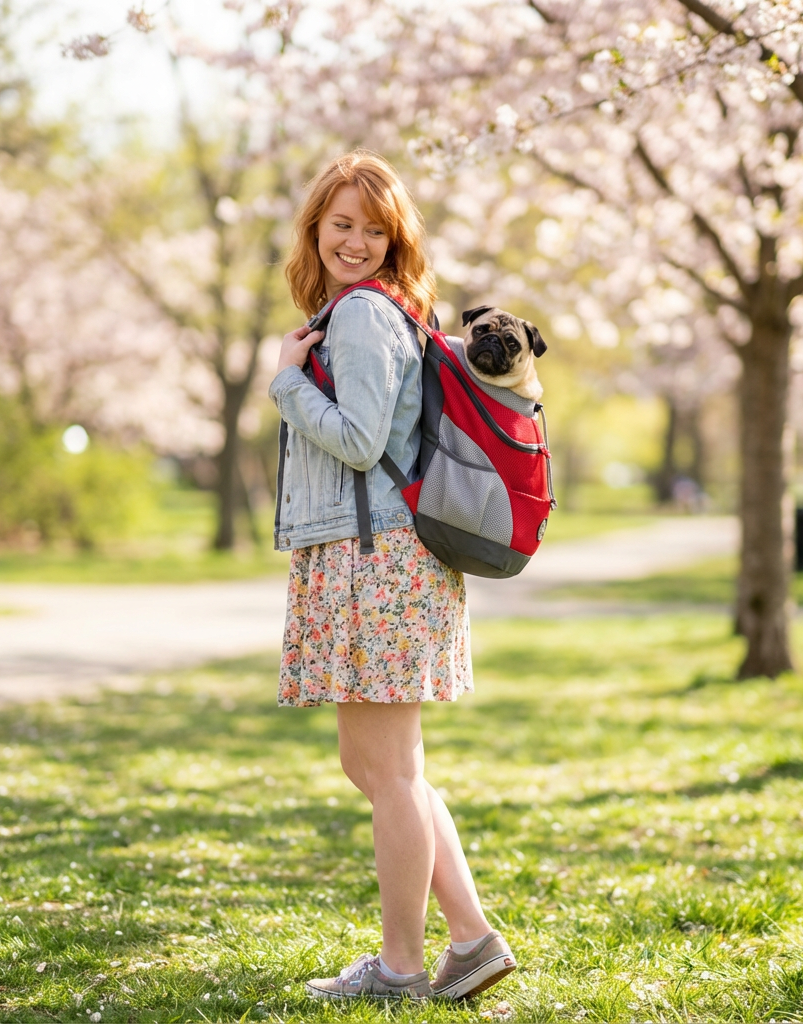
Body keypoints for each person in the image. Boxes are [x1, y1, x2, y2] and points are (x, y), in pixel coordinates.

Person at [268, 150, 517, 1001]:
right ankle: (473, 940)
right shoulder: (366, 311)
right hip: (377, 558)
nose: (356, 240)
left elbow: (361, 441)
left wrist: (288, 384)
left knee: (391, 774)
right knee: (380, 769)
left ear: (394, 236)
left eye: (374, 229)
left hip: (376, 562)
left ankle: (404, 968)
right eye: (342, 224)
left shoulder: (366, 318)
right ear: (315, 226)